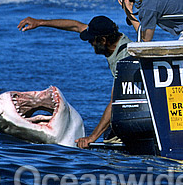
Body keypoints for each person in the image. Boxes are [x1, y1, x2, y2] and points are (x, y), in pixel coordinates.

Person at [17, 15, 130, 148]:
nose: (90, 43)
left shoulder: (124, 59)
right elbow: (76, 26)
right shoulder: (113, 37)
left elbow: (115, 102)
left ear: (103, 40)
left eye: (92, 40)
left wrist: (92, 137)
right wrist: (40, 22)